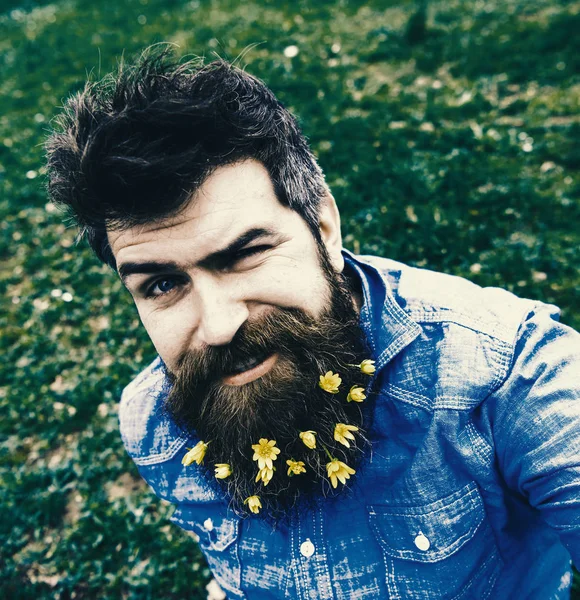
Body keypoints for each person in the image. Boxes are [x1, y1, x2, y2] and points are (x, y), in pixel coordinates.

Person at [46, 49, 579, 599]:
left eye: (244, 254)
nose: (219, 326)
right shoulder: (153, 429)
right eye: (161, 284)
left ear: (324, 227)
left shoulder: (506, 379)